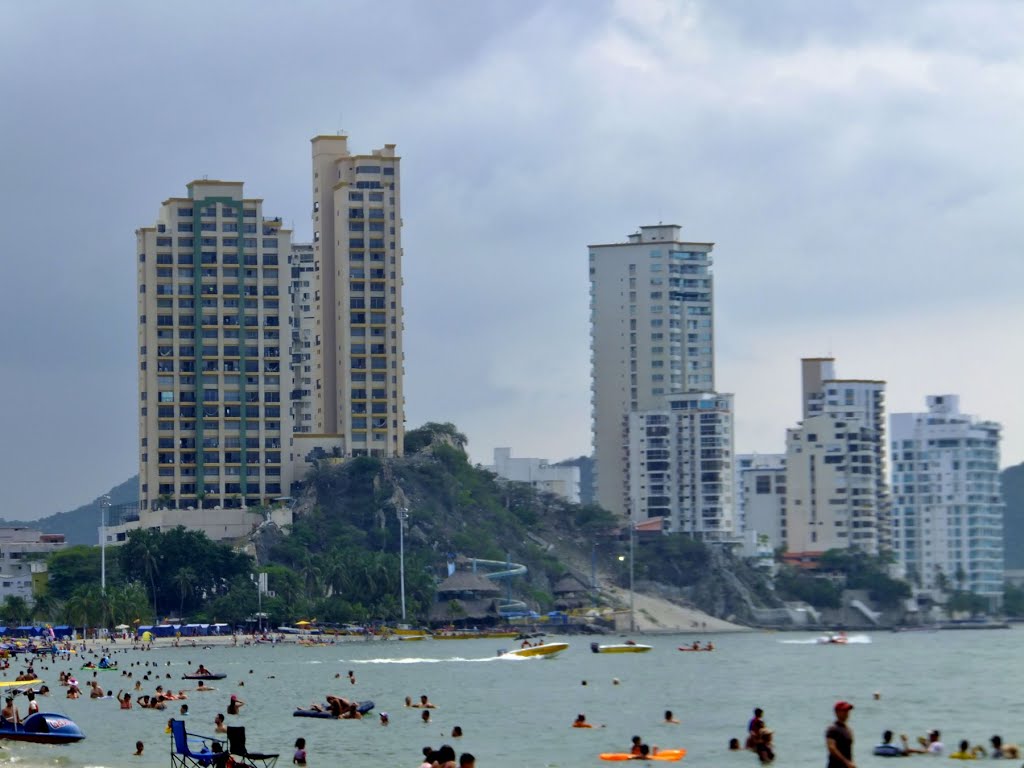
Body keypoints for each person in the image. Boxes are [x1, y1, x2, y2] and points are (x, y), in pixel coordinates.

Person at [826, 701, 855, 768]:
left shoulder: (848, 730)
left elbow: (849, 751)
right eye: (844, 711)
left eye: (848, 711)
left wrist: (851, 762)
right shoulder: (832, 729)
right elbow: (831, 748)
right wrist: (846, 762)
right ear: (837, 712)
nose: (847, 713)